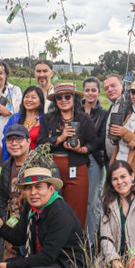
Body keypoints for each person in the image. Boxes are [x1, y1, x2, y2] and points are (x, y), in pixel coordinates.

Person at [36, 83, 96, 227]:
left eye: (67, 97)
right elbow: (40, 144)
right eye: (59, 98)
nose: (63, 100)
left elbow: (94, 142)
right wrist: (59, 138)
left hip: (77, 167)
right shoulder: (47, 119)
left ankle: (75, 240)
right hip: (52, 168)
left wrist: (82, 149)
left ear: (74, 98)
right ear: (55, 101)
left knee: (77, 210)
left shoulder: (84, 119)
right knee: (51, 209)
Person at [82, 77, 108, 246]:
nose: (90, 93)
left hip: (94, 158)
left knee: (92, 201)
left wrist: (86, 147)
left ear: (99, 92)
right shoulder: (75, 110)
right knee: (77, 199)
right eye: (87, 90)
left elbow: (101, 139)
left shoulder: (103, 114)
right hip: (76, 158)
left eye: (94, 90)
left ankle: (90, 243)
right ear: (83, 91)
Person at [0, 124, 31, 221]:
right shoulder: (5, 167)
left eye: (19, 138)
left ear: (28, 141)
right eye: (10, 139)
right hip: (11, 220)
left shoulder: (41, 163)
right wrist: (4, 222)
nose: (14, 143)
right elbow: (1, 198)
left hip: (33, 219)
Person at [2, 85, 45, 160]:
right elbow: (6, 140)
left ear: (40, 102)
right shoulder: (14, 119)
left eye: (33, 97)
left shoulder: (44, 120)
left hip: (35, 161)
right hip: (15, 160)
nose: (29, 100)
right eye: (26, 97)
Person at [102, 74, 125, 166]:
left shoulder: (128, 105)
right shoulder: (112, 107)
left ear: (122, 85)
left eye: (113, 85)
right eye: (106, 88)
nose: (110, 90)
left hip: (123, 163)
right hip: (111, 161)